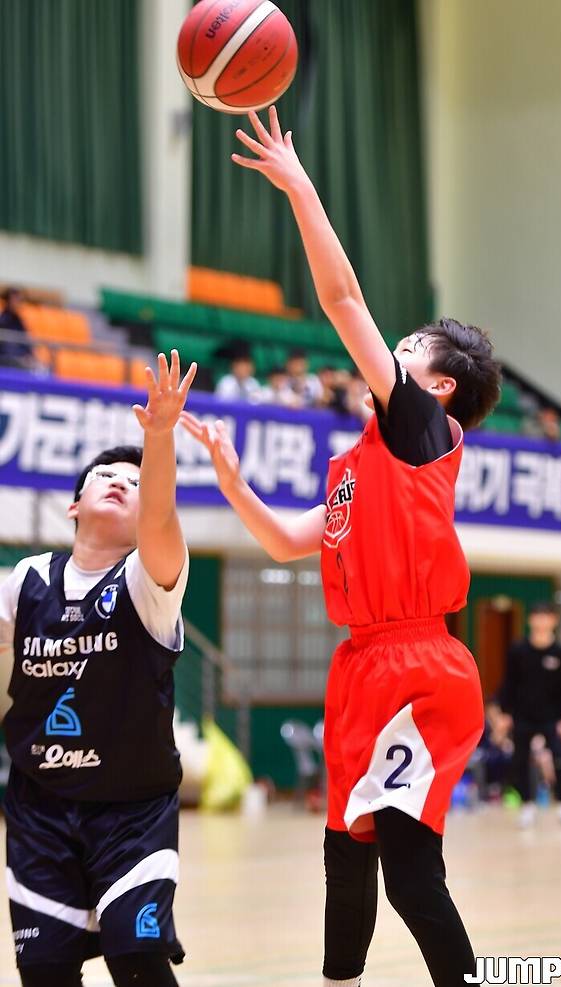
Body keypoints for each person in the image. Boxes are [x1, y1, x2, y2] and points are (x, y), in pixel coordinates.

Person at [181, 106, 501, 987]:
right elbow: (290, 542)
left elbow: (343, 300)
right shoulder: (359, 462)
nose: (389, 352)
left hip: (421, 665)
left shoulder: (422, 428)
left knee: (407, 868)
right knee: (343, 854)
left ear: (440, 385)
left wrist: (299, 186)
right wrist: (234, 482)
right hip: (362, 665)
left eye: (409, 349)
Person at [0, 352, 196, 987]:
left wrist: (159, 437)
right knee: (45, 974)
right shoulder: (28, 580)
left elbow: (161, 516)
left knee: (137, 963)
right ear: (73, 506)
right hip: (39, 807)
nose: (119, 482)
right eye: (104, 476)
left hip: (131, 811)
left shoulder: (147, 582)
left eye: (135, 482)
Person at [498, 601, 561, 829]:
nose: (542, 621)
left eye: (546, 616)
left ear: (554, 620)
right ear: (530, 620)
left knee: (559, 758)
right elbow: (509, 683)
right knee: (520, 760)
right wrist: (506, 713)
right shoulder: (518, 650)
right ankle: (527, 806)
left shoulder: (560, 652)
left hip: (551, 717)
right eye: (537, 616)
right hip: (523, 716)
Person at [0, 286, 35, 370]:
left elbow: (25, 341)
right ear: (8, 301)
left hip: (20, 358)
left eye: (19, 300)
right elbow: (6, 347)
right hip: (8, 359)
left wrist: (29, 354)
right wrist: (21, 357)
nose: (18, 303)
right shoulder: (3, 321)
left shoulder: (19, 321)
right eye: (16, 299)